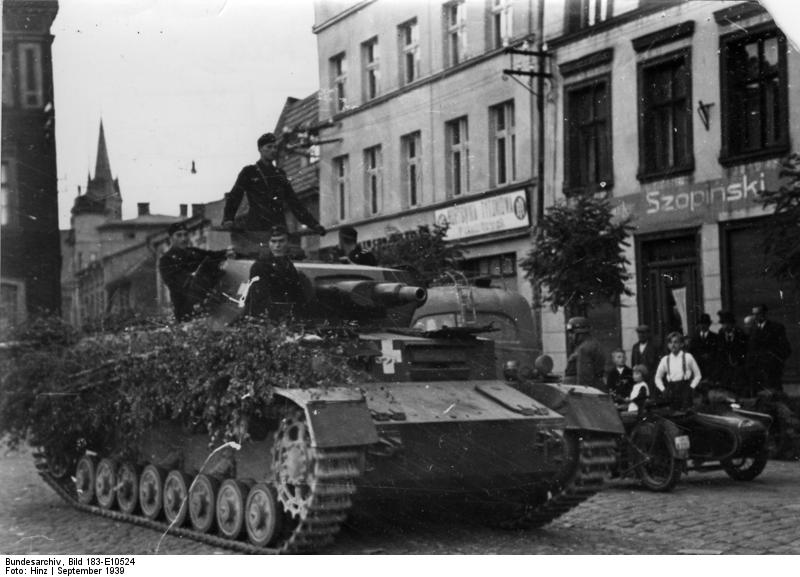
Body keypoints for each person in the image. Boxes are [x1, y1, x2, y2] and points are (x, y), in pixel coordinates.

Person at [221, 133, 326, 236]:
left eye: (275, 147)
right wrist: (228, 218)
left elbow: (294, 202)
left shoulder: (280, 174)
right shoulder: (249, 172)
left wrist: (314, 224)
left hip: (278, 227)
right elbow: (235, 196)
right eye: (269, 147)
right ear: (260, 149)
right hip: (257, 227)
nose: (273, 150)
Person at [158, 221, 229, 322]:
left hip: (208, 305)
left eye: (185, 235)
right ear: (171, 238)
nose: (183, 239)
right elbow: (180, 284)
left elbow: (213, 255)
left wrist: (227, 252)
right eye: (179, 235)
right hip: (185, 308)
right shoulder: (167, 260)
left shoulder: (193, 252)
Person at [246, 225, 307, 320]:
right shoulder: (260, 266)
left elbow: (296, 294)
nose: (277, 246)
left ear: (288, 242)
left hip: (285, 316)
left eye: (281, 241)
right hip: (267, 317)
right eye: (273, 241)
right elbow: (259, 297)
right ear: (269, 243)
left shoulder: (288, 264)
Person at [746, 304, 791, 394]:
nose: (755, 316)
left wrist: (777, 360)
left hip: (771, 366)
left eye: (758, 314)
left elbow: (785, 347)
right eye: (754, 314)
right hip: (757, 366)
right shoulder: (752, 329)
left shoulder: (776, 327)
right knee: (759, 392)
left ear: (765, 314)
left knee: (773, 392)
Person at [654, 332, 702, 410]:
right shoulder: (665, 359)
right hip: (671, 391)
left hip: (685, 390)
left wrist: (691, 387)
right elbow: (657, 378)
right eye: (670, 342)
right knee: (672, 413)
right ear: (668, 345)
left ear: (681, 344)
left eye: (676, 342)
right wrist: (663, 389)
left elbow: (698, 375)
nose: (673, 345)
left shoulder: (688, 357)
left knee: (685, 412)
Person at [563, 317, 606, 390]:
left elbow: (584, 378)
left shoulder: (583, 349)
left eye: (572, 333)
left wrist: (581, 392)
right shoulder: (593, 344)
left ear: (580, 333)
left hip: (582, 391)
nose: (570, 336)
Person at [716, 310, 749, 397]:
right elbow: (719, 351)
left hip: (738, 365)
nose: (725, 326)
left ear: (732, 324)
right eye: (723, 324)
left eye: (727, 324)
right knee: (726, 386)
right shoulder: (721, 334)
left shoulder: (740, 333)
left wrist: (738, 360)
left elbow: (744, 350)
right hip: (725, 365)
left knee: (738, 385)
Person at [688, 313, 718, 384]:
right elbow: (691, 353)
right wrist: (700, 356)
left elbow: (717, 352)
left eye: (705, 324)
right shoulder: (694, 338)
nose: (703, 326)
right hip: (698, 368)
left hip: (711, 369)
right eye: (701, 324)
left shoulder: (715, 337)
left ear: (709, 325)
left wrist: (709, 355)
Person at [630, 325, 659, 392]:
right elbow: (633, 363)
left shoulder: (653, 347)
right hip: (639, 380)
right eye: (639, 333)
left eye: (643, 333)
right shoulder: (635, 347)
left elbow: (657, 364)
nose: (641, 335)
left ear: (648, 334)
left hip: (651, 379)